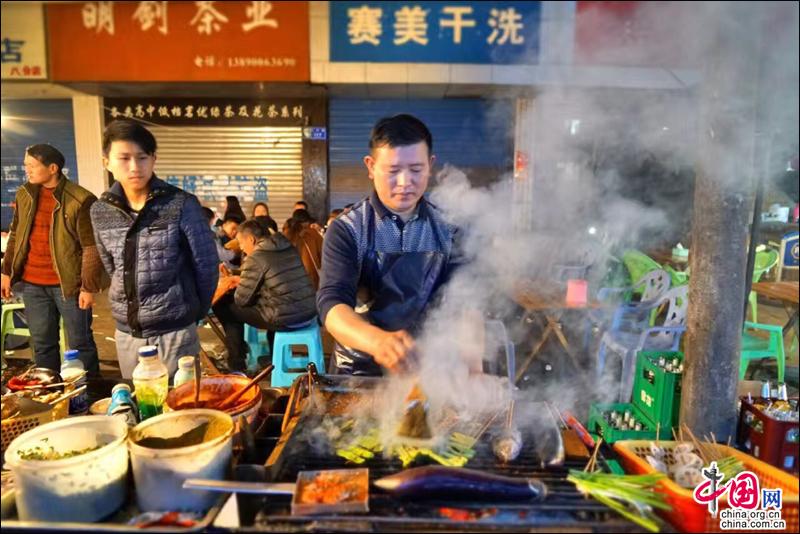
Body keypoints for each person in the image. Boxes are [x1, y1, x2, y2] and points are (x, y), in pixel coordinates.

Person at [318, 114, 460, 376]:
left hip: (429, 367)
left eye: (416, 170)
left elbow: (465, 303)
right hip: (357, 370)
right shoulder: (348, 229)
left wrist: (474, 370)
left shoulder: (448, 229)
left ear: (430, 166)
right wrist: (378, 341)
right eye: (393, 171)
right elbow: (332, 304)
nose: (405, 182)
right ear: (371, 167)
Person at [90, 120, 219, 378]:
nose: (135, 167)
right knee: (139, 409)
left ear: (153, 159)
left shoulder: (180, 204)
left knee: (181, 409)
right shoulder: (101, 211)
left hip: (175, 332)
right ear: (107, 162)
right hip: (128, 334)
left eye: (142, 157)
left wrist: (193, 313)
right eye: (124, 158)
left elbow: (206, 266)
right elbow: (112, 265)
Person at [1, 144, 104, 374]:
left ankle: (88, 393)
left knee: (80, 344)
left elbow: (91, 247)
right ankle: (50, 393)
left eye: (32, 165)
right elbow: (16, 233)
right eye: (26, 165)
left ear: (53, 168)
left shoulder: (80, 199)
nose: (26, 169)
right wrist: (6, 272)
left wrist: (88, 286)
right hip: (32, 285)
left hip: (68, 286)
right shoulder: (25, 194)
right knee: (42, 344)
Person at [212, 219, 316, 371]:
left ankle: (237, 364)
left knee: (225, 307)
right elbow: (276, 280)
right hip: (308, 312)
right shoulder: (287, 247)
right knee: (276, 303)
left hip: (286, 319)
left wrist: (234, 283)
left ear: (251, 239)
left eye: (241, 243)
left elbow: (241, 300)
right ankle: (274, 357)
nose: (240, 248)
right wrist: (239, 278)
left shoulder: (256, 257)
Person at [284, 209, 324, 290]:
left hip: (291, 282)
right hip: (311, 283)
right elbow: (323, 257)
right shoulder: (313, 234)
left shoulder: (286, 235)